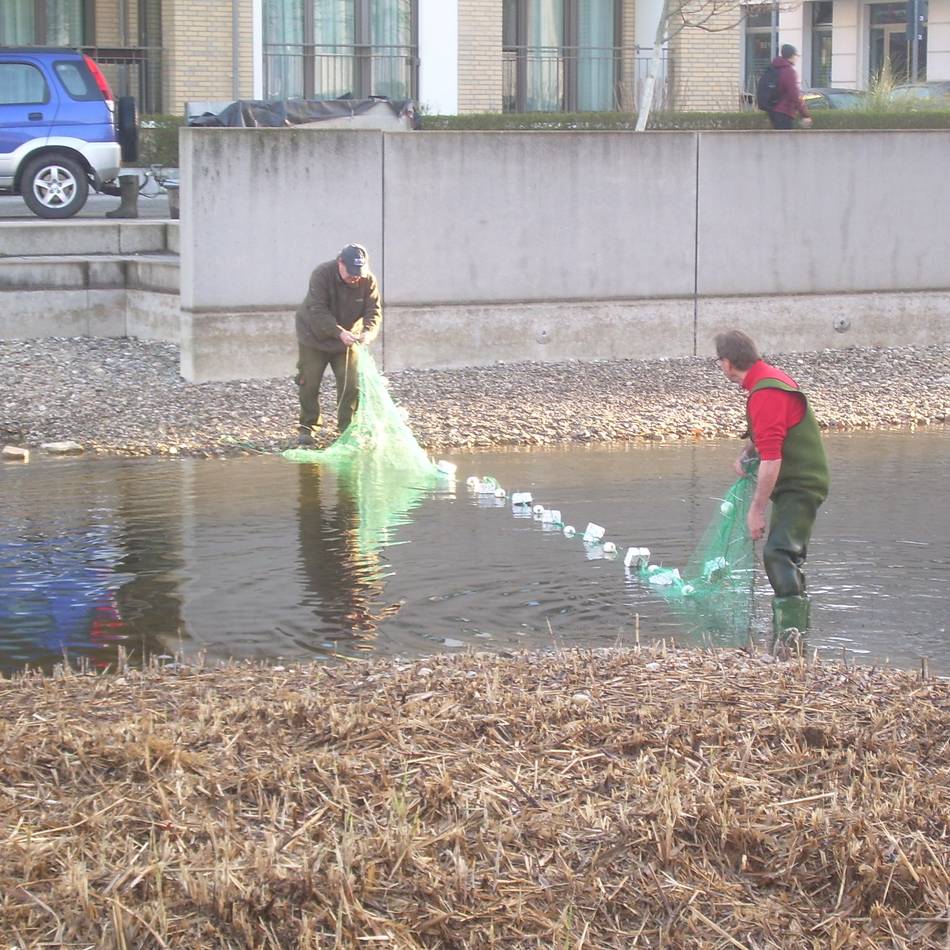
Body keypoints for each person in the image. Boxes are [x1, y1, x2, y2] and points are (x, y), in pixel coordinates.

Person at [714, 330, 829, 644]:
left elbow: (773, 458)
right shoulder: (767, 379)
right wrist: (747, 453)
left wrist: (756, 510)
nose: (722, 368)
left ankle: (792, 642)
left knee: (780, 554)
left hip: (801, 484)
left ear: (726, 363)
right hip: (797, 483)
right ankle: (794, 637)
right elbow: (768, 435)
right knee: (786, 552)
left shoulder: (766, 392)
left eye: (720, 362)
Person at [294, 243, 381, 446]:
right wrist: (338, 332)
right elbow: (317, 310)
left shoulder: (368, 281)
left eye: (359, 272)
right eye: (351, 272)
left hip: (349, 341)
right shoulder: (322, 274)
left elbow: (373, 312)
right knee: (310, 382)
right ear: (340, 263)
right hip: (313, 337)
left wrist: (368, 332)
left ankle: (347, 428)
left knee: (350, 383)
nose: (355, 277)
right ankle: (308, 426)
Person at [769, 44, 813, 131]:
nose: (797, 58)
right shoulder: (788, 71)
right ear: (792, 56)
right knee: (785, 142)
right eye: (796, 55)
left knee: (779, 141)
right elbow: (794, 95)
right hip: (784, 112)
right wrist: (805, 114)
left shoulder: (775, 68)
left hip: (773, 110)